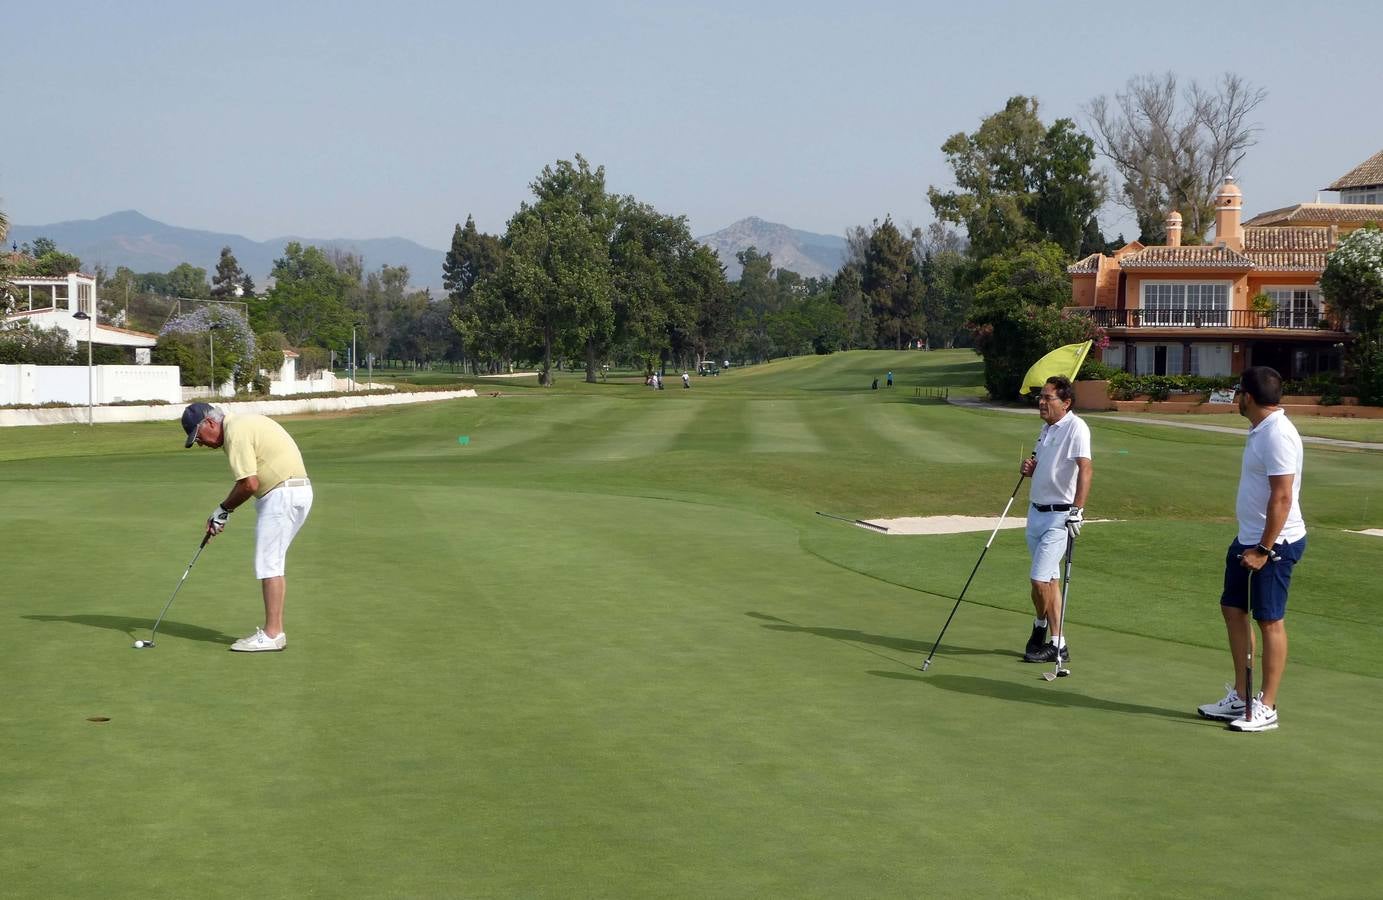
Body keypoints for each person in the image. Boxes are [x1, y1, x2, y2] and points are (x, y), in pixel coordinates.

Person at [1197, 366, 1307, 732]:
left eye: (1238, 391)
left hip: (1275, 543)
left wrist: (1263, 547)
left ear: (1248, 396)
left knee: (1270, 619)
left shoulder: (1278, 435)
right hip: (1248, 538)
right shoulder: (1259, 428)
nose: (1234, 397)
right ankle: (1242, 698)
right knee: (1232, 608)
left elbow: (1283, 496)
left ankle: (1268, 705)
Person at [182, 403, 313, 652]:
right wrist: (224, 511)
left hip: (282, 494)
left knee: (269, 562)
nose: (199, 443)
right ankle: (274, 632)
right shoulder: (242, 423)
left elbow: (249, 484)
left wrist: (222, 510)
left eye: (198, 437)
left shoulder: (235, 431)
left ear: (209, 423)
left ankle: (273, 634)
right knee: (273, 561)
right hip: (296, 491)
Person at [1019, 375, 1092, 663]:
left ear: (1066, 402)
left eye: (1048, 398)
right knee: (1049, 581)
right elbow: (1045, 466)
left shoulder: (1076, 427)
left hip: (1059, 517)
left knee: (1039, 580)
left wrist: (1078, 509)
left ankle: (1044, 632)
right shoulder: (1046, 428)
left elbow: (1085, 469)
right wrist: (1030, 468)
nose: (1042, 402)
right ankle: (1055, 641)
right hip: (1035, 512)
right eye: (1041, 397)